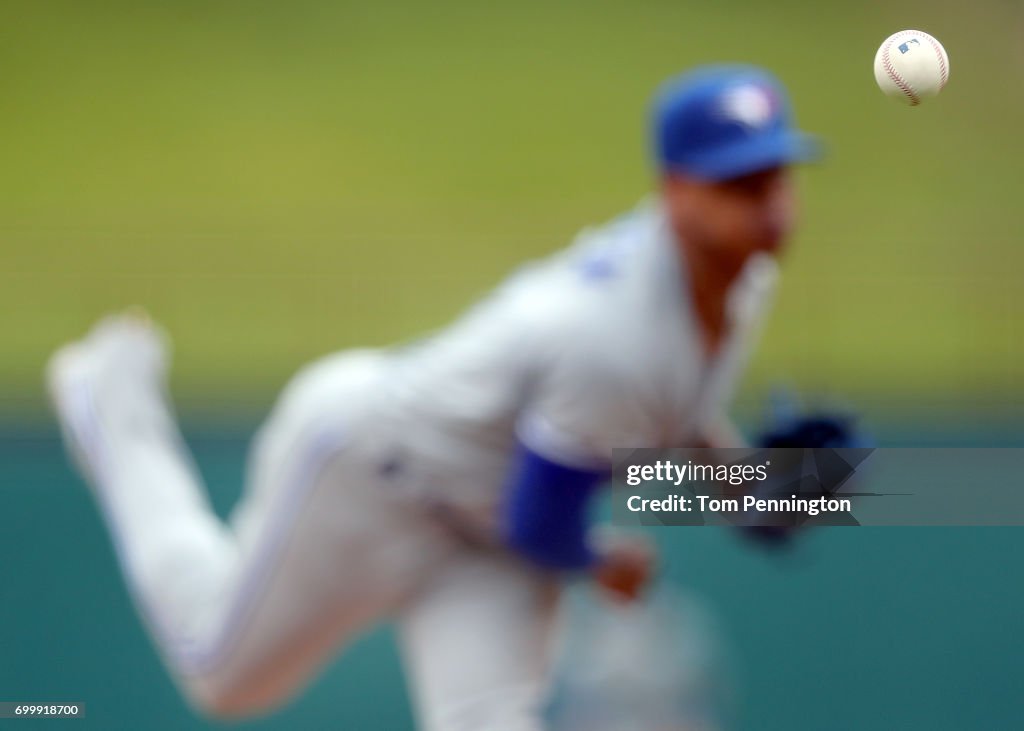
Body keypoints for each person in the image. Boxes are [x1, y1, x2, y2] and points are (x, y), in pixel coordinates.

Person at [46, 64, 818, 730]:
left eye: (775, 177)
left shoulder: (743, 283)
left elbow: (667, 417)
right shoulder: (611, 335)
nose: (769, 206)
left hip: (484, 543)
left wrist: (759, 486)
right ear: (676, 194)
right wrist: (614, 555)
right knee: (220, 675)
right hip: (372, 476)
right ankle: (112, 407)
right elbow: (546, 517)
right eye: (739, 184)